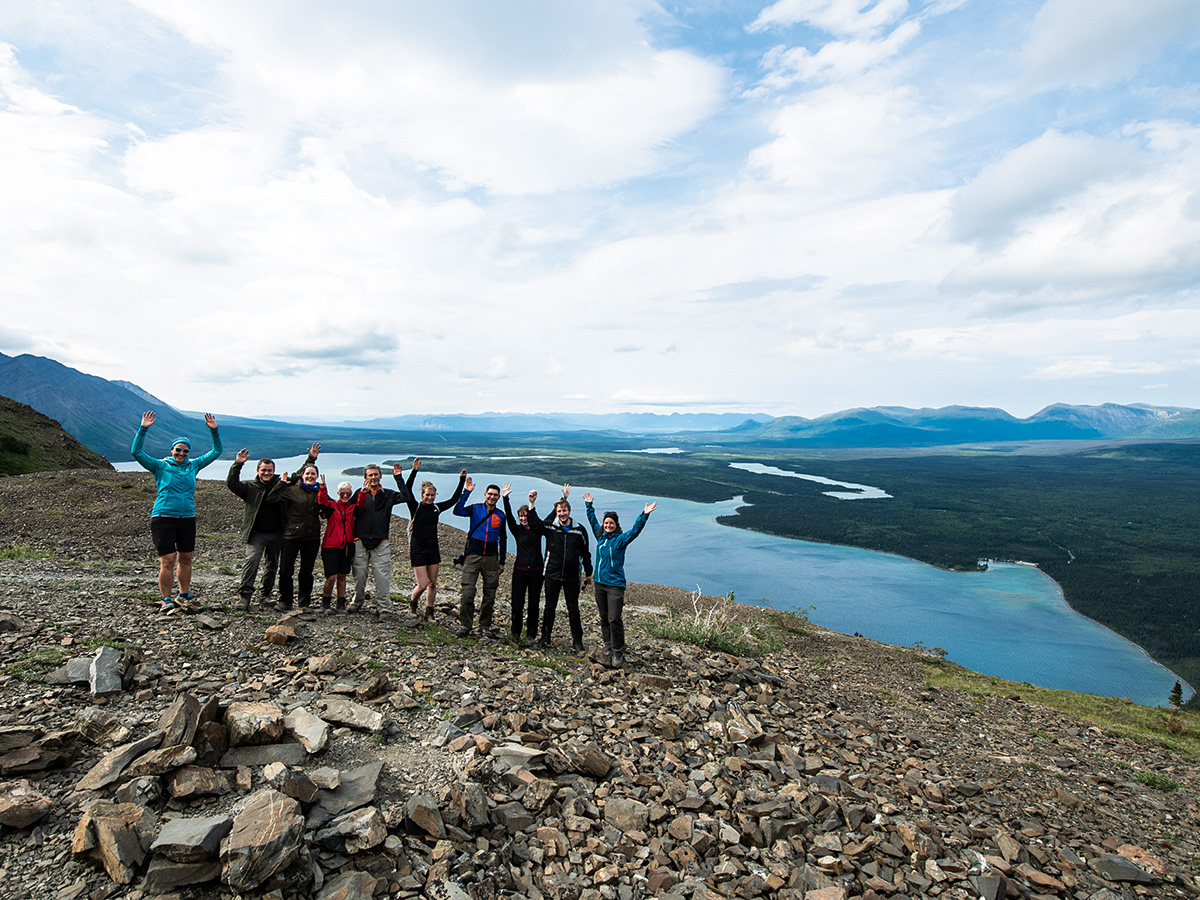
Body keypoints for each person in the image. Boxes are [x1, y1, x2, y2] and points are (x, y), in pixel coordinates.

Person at [131, 410, 223, 614]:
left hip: (187, 517)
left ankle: (183, 594)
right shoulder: (160, 466)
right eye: (178, 450)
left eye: (185, 451)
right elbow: (136, 453)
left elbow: (216, 452)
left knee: (186, 557)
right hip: (163, 517)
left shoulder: (194, 465)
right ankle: (166, 598)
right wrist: (143, 429)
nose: (181, 454)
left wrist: (214, 432)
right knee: (168, 559)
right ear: (172, 450)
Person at [226, 443, 318, 611]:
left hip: (278, 533)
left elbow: (299, 475)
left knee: (272, 565)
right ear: (258, 471)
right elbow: (232, 483)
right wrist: (237, 464)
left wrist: (311, 459)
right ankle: (245, 596)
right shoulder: (250, 488)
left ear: (273, 471)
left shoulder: (282, 483)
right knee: (251, 562)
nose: (267, 473)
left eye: (269, 470)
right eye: (263, 470)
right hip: (256, 534)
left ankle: (265, 595)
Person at [584, 492, 656, 668]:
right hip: (600, 583)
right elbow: (592, 520)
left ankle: (618, 652)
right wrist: (589, 505)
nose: (608, 525)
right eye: (606, 522)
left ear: (616, 526)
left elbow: (635, 531)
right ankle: (608, 646)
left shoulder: (621, 540)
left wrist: (644, 515)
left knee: (614, 618)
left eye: (611, 523)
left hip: (615, 585)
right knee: (603, 617)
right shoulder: (600, 537)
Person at [528, 485, 593, 652]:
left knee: (573, 609)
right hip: (552, 574)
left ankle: (577, 642)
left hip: (572, 576)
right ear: (556, 512)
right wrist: (532, 504)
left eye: (564, 510)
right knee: (550, 607)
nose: (562, 514)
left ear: (569, 511)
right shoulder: (550, 527)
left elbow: (586, 552)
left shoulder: (579, 530)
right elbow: (535, 525)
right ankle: (545, 638)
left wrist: (588, 573)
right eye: (559, 511)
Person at [403, 458, 466, 623]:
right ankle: (413, 604)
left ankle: (429, 612)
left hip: (433, 549)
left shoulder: (437, 508)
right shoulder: (415, 507)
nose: (430, 497)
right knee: (422, 584)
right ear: (422, 495)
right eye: (427, 495)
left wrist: (462, 480)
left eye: (432, 495)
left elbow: (453, 500)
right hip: (418, 549)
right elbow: (407, 489)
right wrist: (414, 471)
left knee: (433, 583)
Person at [350, 462, 410, 616]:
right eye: (370, 475)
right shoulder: (358, 493)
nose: (374, 478)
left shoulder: (388, 494)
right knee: (359, 575)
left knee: (382, 576)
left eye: (376, 474)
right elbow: (349, 511)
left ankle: (384, 608)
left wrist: (398, 478)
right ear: (365, 478)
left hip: (381, 541)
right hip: (360, 540)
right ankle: (357, 601)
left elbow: (405, 496)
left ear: (381, 476)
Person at [452, 478, 507, 639]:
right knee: (467, 592)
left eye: (495, 495)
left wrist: (502, 561)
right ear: (485, 495)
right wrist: (466, 492)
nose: (492, 497)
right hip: (473, 556)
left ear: (498, 498)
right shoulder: (475, 509)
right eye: (490, 494)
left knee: (489, 595)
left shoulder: (500, 515)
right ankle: (465, 626)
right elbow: (457, 510)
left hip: (491, 558)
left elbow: (503, 539)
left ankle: (484, 626)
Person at [266, 463, 324, 611]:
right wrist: (281, 484)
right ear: (302, 475)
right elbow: (271, 498)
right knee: (286, 570)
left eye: (313, 474)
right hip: (291, 536)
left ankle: (304, 603)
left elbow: (328, 507)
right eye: (307, 474)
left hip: (312, 537)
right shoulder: (292, 490)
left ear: (317, 476)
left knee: (306, 572)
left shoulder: (319, 491)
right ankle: (285, 601)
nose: (310, 476)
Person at [502, 485, 545, 642]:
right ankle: (515, 633)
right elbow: (508, 516)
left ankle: (531, 635)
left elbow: (552, 515)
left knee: (533, 604)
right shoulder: (517, 529)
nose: (523, 518)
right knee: (517, 604)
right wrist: (505, 498)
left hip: (536, 571)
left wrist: (564, 499)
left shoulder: (538, 530)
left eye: (525, 516)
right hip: (519, 571)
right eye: (521, 516)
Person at [317, 478, 364, 614]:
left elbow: (361, 505)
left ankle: (341, 602)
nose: (345, 496)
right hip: (330, 546)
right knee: (331, 577)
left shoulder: (352, 508)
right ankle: (326, 602)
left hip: (347, 546)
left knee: (342, 575)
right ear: (338, 493)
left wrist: (363, 493)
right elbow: (322, 501)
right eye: (342, 493)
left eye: (348, 494)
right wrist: (323, 488)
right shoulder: (332, 507)